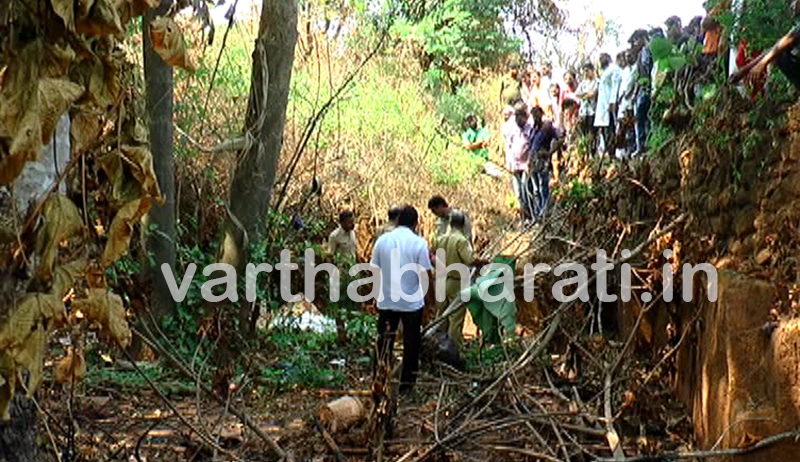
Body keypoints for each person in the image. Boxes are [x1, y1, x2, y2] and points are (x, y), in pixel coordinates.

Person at [372, 205, 432, 394]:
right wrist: (430, 303)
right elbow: (425, 275)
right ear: (416, 223)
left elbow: (374, 270)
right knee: (411, 344)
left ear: (397, 221)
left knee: (384, 342)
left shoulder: (382, 241)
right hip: (412, 304)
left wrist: (376, 296)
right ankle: (407, 386)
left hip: (387, 300)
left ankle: (379, 378)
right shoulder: (419, 243)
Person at [432, 212, 488, 350]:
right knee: (455, 319)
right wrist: (483, 261)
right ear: (463, 225)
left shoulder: (440, 239)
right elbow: (470, 260)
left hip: (440, 281)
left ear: (450, 224)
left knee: (441, 317)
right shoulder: (461, 240)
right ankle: (453, 351)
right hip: (456, 282)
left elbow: (431, 254)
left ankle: (437, 347)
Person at [528, 106, 563, 219]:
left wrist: (550, 152)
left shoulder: (547, 127)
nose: (535, 117)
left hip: (543, 161)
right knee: (535, 189)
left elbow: (560, 138)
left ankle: (545, 213)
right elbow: (531, 147)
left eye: (537, 115)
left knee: (544, 187)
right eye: (533, 116)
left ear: (541, 114)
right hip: (533, 162)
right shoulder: (533, 129)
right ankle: (537, 215)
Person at [504, 103, 535, 222]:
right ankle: (524, 217)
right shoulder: (512, 128)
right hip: (515, 165)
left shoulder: (530, 127)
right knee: (519, 193)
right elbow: (509, 147)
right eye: (516, 117)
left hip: (526, 165)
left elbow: (532, 146)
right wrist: (509, 164)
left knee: (526, 188)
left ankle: (531, 216)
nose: (518, 120)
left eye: (520, 117)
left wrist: (529, 162)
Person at [594, 53, 622, 156]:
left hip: (609, 104)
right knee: (605, 131)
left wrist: (613, 101)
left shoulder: (614, 69)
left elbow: (615, 85)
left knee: (611, 129)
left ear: (608, 58)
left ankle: (613, 153)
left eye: (603, 58)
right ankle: (608, 153)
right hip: (602, 106)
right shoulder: (604, 72)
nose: (601, 60)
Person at [629, 29, 652, 155]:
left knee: (647, 118)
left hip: (650, 87)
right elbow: (639, 77)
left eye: (637, 39)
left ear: (643, 37)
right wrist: (634, 94)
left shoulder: (649, 49)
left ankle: (648, 145)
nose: (635, 43)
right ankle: (641, 146)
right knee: (640, 118)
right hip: (642, 90)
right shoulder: (639, 55)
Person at [616, 50, 638, 158]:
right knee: (622, 127)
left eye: (629, 56)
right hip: (622, 103)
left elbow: (636, 83)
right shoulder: (624, 71)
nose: (628, 58)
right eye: (626, 56)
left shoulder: (636, 68)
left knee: (631, 125)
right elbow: (622, 87)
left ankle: (633, 148)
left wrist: (633, 94)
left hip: (631, 101)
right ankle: (624, 151)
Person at [575, 62, 599, 156]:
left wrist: (585, 95)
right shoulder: (583, 83)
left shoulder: (597, 82)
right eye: (584, 71)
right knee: (584, 134)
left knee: (592, 133)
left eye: (587, 71)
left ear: (592, 71)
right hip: (583, 112)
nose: (586, 73)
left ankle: (593, 153)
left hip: (593, 111)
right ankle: (586, 153)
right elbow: (577, 94)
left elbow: (593, 94)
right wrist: (585, 94)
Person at [560, 71, 581, 142]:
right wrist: (562, 125)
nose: (568, 81)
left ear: (574, 78)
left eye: (570, 78)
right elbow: (561, 110)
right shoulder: (564, 92)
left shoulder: (580, 89)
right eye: (566, 79)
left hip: (578, 118)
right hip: (568, 120)